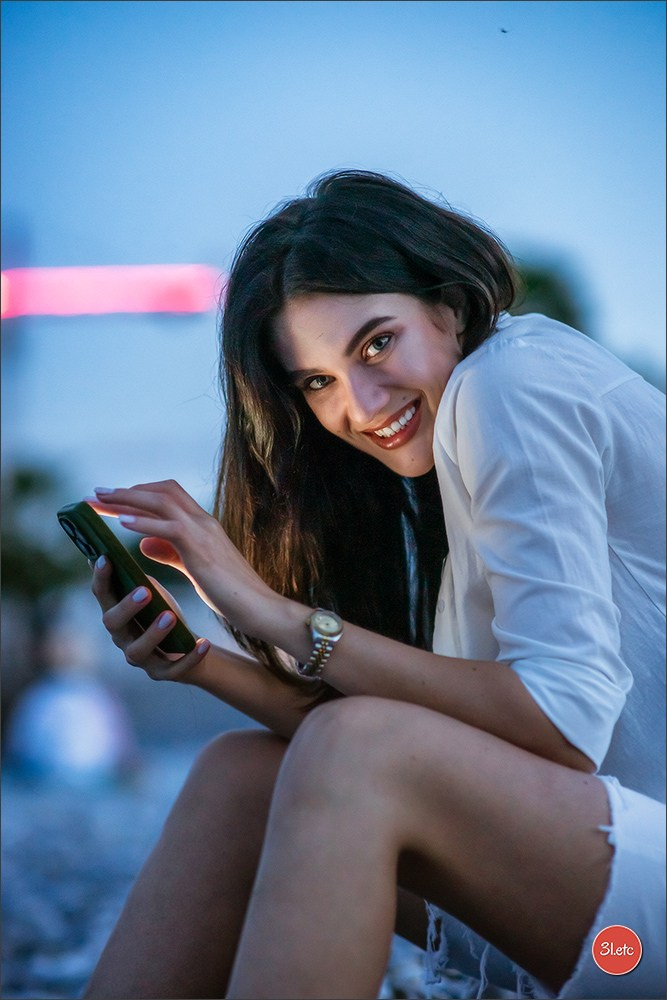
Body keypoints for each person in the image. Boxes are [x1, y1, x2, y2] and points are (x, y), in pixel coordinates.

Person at [83, 170, 665, 1000]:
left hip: (635, 922)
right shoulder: (459, 445)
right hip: (617, 879)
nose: (358, 405)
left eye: (376, 344)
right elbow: (413, 745)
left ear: (449, 305)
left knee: (355, 748)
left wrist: (275, 614)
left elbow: (558, 722)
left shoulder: (512, 383)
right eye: (317, 381)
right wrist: (200, 662)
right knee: (240, 777)